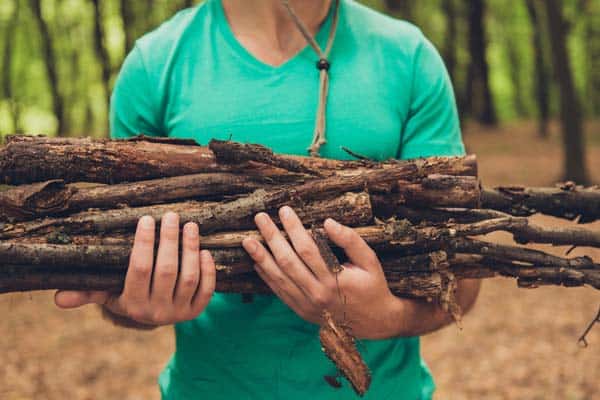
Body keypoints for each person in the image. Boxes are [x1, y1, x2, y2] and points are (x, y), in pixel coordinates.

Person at [55, 0, 481, 398]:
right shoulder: (155, 66)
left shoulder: (408, 58)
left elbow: (463, 282)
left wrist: (386, 316)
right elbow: (118, 284)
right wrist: (131, 304)